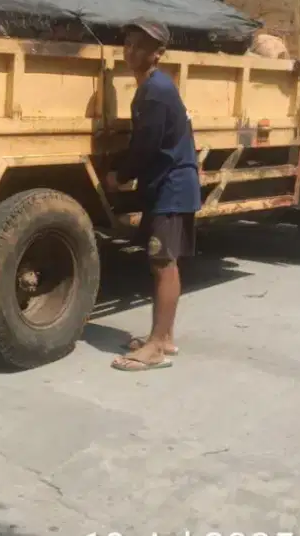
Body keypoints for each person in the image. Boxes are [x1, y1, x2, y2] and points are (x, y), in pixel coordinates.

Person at [104, 20, 201, 372]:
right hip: (168, 185)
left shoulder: (155, 90)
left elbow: (146, 146)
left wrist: (120, 175)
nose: (131, 51)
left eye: (140, 46)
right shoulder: (152, 87)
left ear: (158, 53)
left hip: (172, 188)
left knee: (163, 262)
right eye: (128, 43)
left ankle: (157, 346)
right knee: (164, 261)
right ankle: (164, 337)